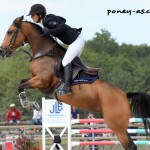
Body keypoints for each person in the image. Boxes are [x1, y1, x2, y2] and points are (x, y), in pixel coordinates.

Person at [27, 4, 85, 95]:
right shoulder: (47, 21)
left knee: (65, 62)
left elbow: (62, 27)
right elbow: (63, 19)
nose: (31, 17)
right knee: (73, 64)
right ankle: (77, 85)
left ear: (40, 15)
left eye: (33, 15)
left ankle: (67, 87)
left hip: (76, 41)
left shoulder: (48, 20)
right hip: (76, 40)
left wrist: (49, 31)